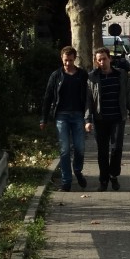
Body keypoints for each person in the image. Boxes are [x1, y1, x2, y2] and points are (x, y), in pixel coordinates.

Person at [84, 46, 130, 192]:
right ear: (96, 61)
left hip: (118, 117)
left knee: (116, 149)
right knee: (102, 151)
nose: (102, 62)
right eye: (99, 60)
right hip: (100, 119)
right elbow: (88, 100)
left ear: (110, 59)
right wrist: (87, 120)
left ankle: (113, 175)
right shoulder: (92, 77)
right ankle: (103, 180)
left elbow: (127, 95)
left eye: (104, 59)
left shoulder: (121, 74)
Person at [40, 46, 89, 192]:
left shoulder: (82, 75)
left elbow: (88, 97)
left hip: (78, 115)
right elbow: (48, 97)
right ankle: (66, 181)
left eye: (70, 60)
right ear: (62, 59)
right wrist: (44, 118)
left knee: (80, 147)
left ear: (75, 59)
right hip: (62, 116)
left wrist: (88, 117)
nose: (68, 63)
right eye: (65, 60)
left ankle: (78, 171)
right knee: (65, 149)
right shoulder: (56, 76)